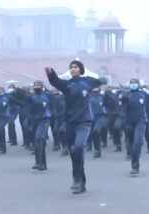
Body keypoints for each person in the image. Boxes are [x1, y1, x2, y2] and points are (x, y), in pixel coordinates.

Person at [46, 60, 106, 194]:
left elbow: (100, 81)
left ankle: (77, 179)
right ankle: (79, 181)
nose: (73, 69)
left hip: (84, 121)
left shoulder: (88, 81)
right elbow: (56, 82)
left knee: (78, 147)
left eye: (76, 67)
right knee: (74, 153)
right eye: (71, 67)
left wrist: (103, 79)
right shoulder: (67, 84)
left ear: (81, 69)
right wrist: (51, 74)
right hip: (70, 121)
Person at [121, 79, 148, 175]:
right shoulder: (126, 95)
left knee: (137, 143)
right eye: (131, 83)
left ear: (138, 85)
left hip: (140, 122)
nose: (133, 85)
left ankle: (135, 165)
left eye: (135, 83)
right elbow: (123, 109)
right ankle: (135, 157)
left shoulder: (143, 94)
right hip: (129, 123)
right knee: (132, 144)